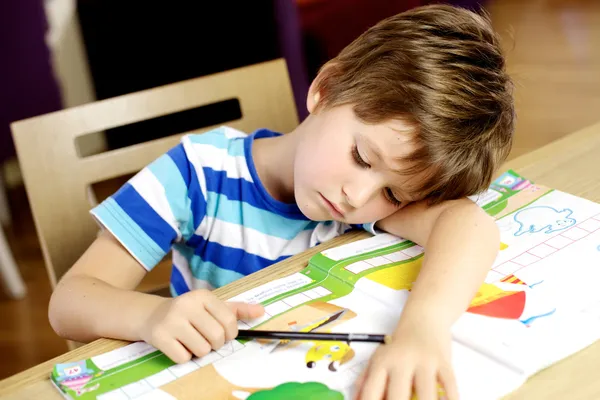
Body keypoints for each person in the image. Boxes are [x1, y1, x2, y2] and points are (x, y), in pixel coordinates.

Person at [48, 4, 514, 399]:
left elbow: (467, 225)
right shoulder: (198, 173)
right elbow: (69, 300)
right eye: (361, 157)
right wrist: (151, 316)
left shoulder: (374, 199)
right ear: (325, 89)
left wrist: (423, 327)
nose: (359, 196)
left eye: (393, 193)